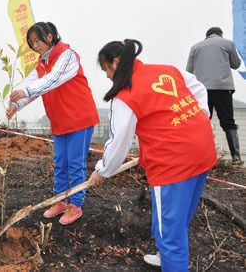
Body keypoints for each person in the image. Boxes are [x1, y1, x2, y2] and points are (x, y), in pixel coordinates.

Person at [89, 39, 217, 271]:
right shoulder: (167, 70)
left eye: (106, 69)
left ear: (116, 62)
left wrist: (102, 171)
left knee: (170, 232)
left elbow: (119, 142)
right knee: (178, 217)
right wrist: (200, 119)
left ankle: (171, 259)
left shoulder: (125, 95)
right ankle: (165, 256)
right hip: (202, 149)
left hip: (172, 164)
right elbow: (198, 87)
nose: (108, 76)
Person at [8, 22, 99, 225]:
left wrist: (27, 92)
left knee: (75, 164)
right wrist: (16, 104)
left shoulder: (67, 55)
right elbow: (31, 85)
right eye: (31, 43)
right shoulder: (42, 63)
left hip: (79, 119)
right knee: (60, 163)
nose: (35, 46)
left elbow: (53, 79)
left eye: (37, 40)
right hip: (60, 121)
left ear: (49, 37)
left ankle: (75, 205)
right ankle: (60, 200)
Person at [186, 27, 243, 165]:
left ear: (207, 36)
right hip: (223, 88)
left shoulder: (195, 47)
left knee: (202, 120)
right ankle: (236, 157)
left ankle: (198, 156)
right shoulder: (227, 43)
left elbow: (189, 71)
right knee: (227, 121)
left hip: (202, 90)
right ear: (220, 34)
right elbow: (236, 64)